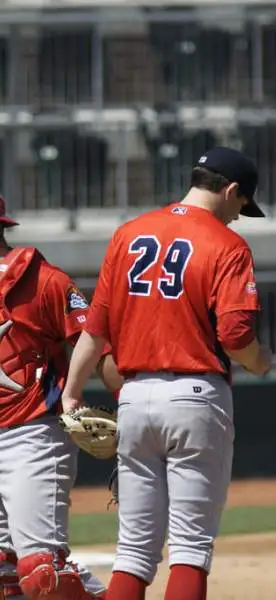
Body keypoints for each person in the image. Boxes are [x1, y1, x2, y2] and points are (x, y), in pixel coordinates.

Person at [62, 146, 271, 600]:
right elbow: (235, 336)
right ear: (231, 190)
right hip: (197, 396)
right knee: (191, 547)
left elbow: (95, 329)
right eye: (241, 205)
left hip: (134, 397)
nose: (238, 216)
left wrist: (71, 392)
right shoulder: (227, 245)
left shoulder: (129, 233)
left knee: (134, 551)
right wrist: (260, 360)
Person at [0, 197, 122, 600]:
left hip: (31, 434)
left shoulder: (45, 281)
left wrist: (133, 405)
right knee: (5, 576)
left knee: (44, 576)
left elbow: (97, 345)